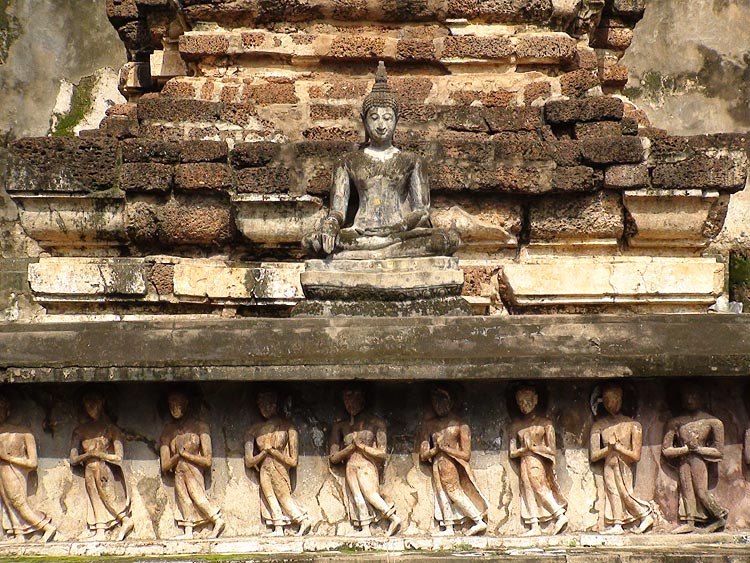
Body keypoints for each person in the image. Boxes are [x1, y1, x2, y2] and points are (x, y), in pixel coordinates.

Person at [304, 61, 459, 259]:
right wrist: (331, 224)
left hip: (398, 234)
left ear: (397, 119)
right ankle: (378, 252)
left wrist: (396, 228)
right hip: (360, 233)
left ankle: (371, 253)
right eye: (374, 117)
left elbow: (422, 211)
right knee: (311, 242)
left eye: (387, 118)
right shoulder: (348, 161)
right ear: (363, 120)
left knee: (446, 239)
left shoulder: (412, 161)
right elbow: (338, 210)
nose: (381, 125)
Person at [329, 387, 401, 536]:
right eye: (347, 401)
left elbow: (382, 454)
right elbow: (333, 457)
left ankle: (392, 518)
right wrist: (349, 449)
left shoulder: (375, 423)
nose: (351, 405)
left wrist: (361, 447)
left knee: (370, 494)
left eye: (355, 401)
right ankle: (365, 528)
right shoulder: (340, 426)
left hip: (366, 464)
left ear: (362, 400)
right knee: (357, 498)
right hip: (350, 465)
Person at [419, 387, 487, 536]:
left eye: (442, 401)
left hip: (450, 463)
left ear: (451, 402)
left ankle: (477, 520)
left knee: (454, 492)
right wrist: (436, 450)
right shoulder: (429, 425)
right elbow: (423, 454)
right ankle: (448, 526)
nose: (438, 406)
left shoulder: (460, 425)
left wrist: (446, 449)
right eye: (435, 402)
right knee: (441, 493)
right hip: (437, 462)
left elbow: (466, 454)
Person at [662, 383, 727, 533]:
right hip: (684, 460)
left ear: (702, 398)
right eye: (686, 397)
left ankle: (719, 516)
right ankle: (690, 522)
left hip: (699, 461)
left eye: (694, 396)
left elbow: (719, 452)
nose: (690, 400)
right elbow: (666, 450)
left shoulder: (713, 422)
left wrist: (697, 449)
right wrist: (685, 449)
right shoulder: (675, 423)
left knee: (701, 492)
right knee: (686, 491)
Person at [160, 389, 225, 539]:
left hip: (193, 470)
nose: (174, 407)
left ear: (186, 404)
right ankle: (188, 531)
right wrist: (178, 456)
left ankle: (217, 520)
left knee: (199, 497)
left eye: (177, 403)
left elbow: (207, 460)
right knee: (184, 500)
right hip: (179, 471)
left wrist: (187, 455)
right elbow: (165, 465)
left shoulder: (200, 427)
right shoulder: (168, 431)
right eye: (171, 404)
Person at [245, 389, 311, 536]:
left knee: (283, 497)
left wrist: (273, 452)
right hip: (264, 468)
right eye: (261, 404)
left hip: (280, 467)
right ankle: (278, 527)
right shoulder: (253, 430)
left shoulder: (288, 427)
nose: (265, 408)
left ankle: (301, 520)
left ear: (276, 404)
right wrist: (263, 453)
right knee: (269, 498)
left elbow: (293, 461)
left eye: (269, 404)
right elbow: (249, 461)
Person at [589, 384, 653, 534]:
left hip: (624, 465)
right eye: (608, 400)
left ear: (622, 400)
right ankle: (617, 524)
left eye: (616, 399)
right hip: (608, 465)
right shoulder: (599, 426)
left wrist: (618, 448)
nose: (612, 404)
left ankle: (645, 515)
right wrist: (609, 449)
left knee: (626, 493)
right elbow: (594, 455)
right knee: (612, 493)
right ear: (602, 402)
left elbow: (636, 456)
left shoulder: (633, 425)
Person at [70, 391, 133, 541]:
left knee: (108, 498)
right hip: (89, 469)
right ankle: (100, 531)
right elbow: (73, 459)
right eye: (87, 404)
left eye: (95, 403)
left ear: (102, 403)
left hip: (104, 468)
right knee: (94, 499)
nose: (91, 407)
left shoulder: (111, 429)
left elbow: (118, 457)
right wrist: (88, 455)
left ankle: (125, 520)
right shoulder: (80, 430)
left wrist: (99, 455)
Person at [509, 386, 568, 536]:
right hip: (524, 460)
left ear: (535, 401)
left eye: (527, 401)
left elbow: (551, 449)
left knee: (540, 487)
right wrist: (523, 450)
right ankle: (534, 524)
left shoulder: (545, 423)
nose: (524, 405)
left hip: (537, 461)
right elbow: (512, 452)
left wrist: (534, 448)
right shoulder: (516, 425)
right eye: (520, 402)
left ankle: (559, 514)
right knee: (527, 489)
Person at [0, 394, 57, 542]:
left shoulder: (23, 432)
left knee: (18, 503)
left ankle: (46, 527)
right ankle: (19, 534)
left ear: (7, 410)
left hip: (15, 472)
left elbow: (32, 463)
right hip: (2, 472)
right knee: (7, 504)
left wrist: (8, 458)